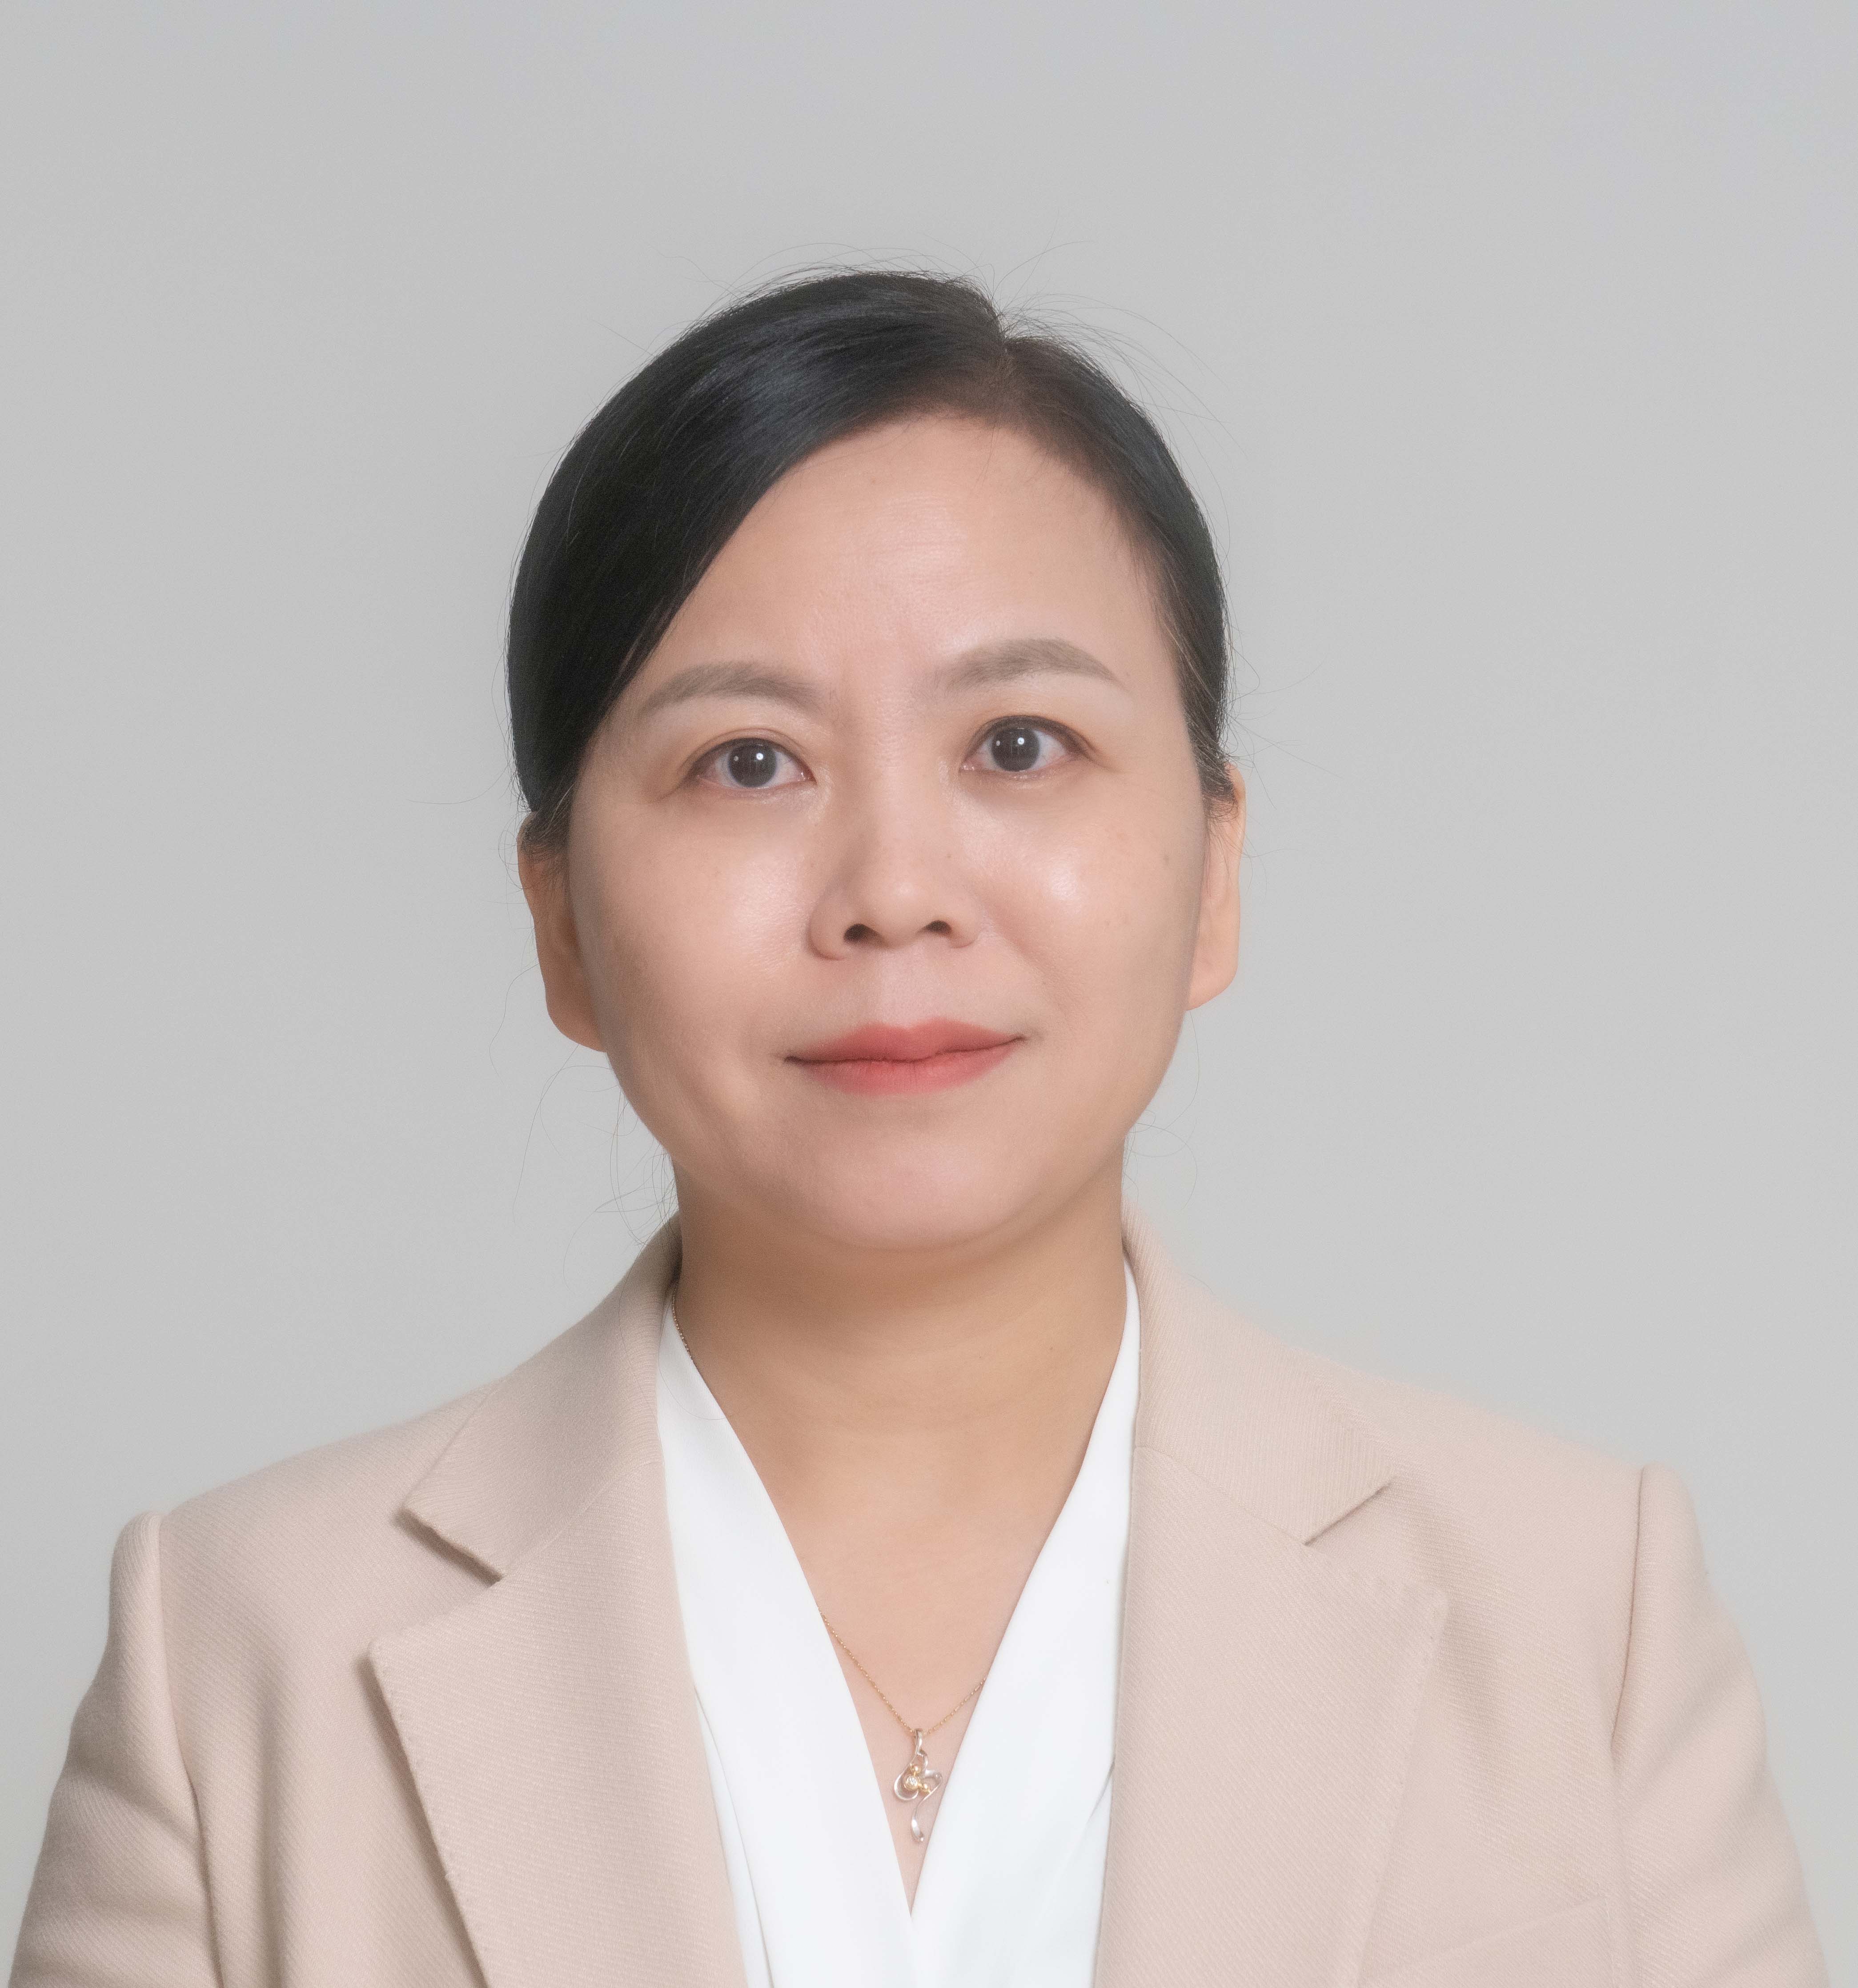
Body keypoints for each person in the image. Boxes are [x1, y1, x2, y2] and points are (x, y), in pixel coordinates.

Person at [12, 270, 1826, 1988]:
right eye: (747, 762)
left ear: (1213, 872)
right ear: (561, 921)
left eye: (1018, 744)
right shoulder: (236, 1656)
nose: (893, 890)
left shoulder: (1576, 1613)